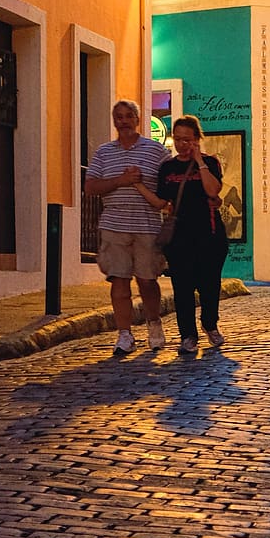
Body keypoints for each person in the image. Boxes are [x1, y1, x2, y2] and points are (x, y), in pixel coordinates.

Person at [136, 116, 228, 356]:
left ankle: (210, 324)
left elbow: (213, 190)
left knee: (209, 287)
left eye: (187, 139)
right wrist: (138, 186)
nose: (181, 144)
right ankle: (188, 335)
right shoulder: (167, 168)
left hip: (209, 235)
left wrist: (199, 161)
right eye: (177, 139)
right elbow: (160, 201)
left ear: (197, 139)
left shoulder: (210, 162)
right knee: (182, 289)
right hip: (179, 239)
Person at [84, 99, 170, 358]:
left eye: (128, 116)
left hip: (147, 226)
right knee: (118, 280)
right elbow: (90, 187)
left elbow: (168, 185)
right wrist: (121, 181)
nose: (123, 121)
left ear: (137, 119)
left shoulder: (156, 151)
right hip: (114, 226)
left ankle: (154, 326)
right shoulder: (103, 152)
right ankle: (124, 334)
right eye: (118, 117)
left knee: (147, 280)